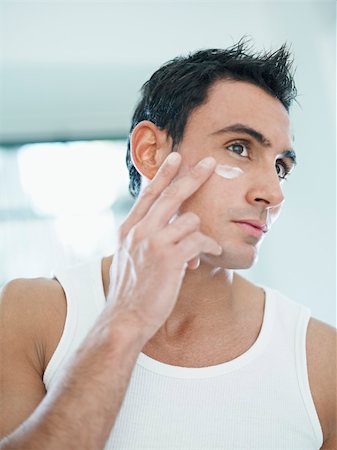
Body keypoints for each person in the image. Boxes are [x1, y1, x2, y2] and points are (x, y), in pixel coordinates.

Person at [0, 39, 336, 450]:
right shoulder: (31, 314)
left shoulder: (323, 361)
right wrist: (126, 319)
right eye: (239, 148)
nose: (273, 193)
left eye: (281, 167)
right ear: (151, 152)